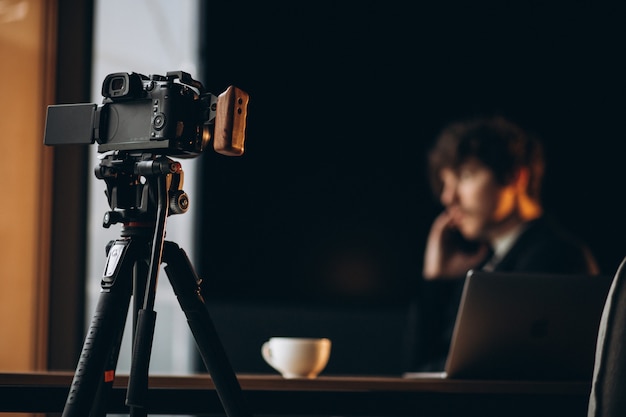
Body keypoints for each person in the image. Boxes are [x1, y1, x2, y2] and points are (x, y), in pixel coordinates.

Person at [403, 115, 600, 372]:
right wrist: (435, 280)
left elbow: (485, 372)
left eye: (465, 176)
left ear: (515, 176)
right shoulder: (485, 262)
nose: (447, 197)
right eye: (445, 183)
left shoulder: (556, 256)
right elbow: (417, 369)